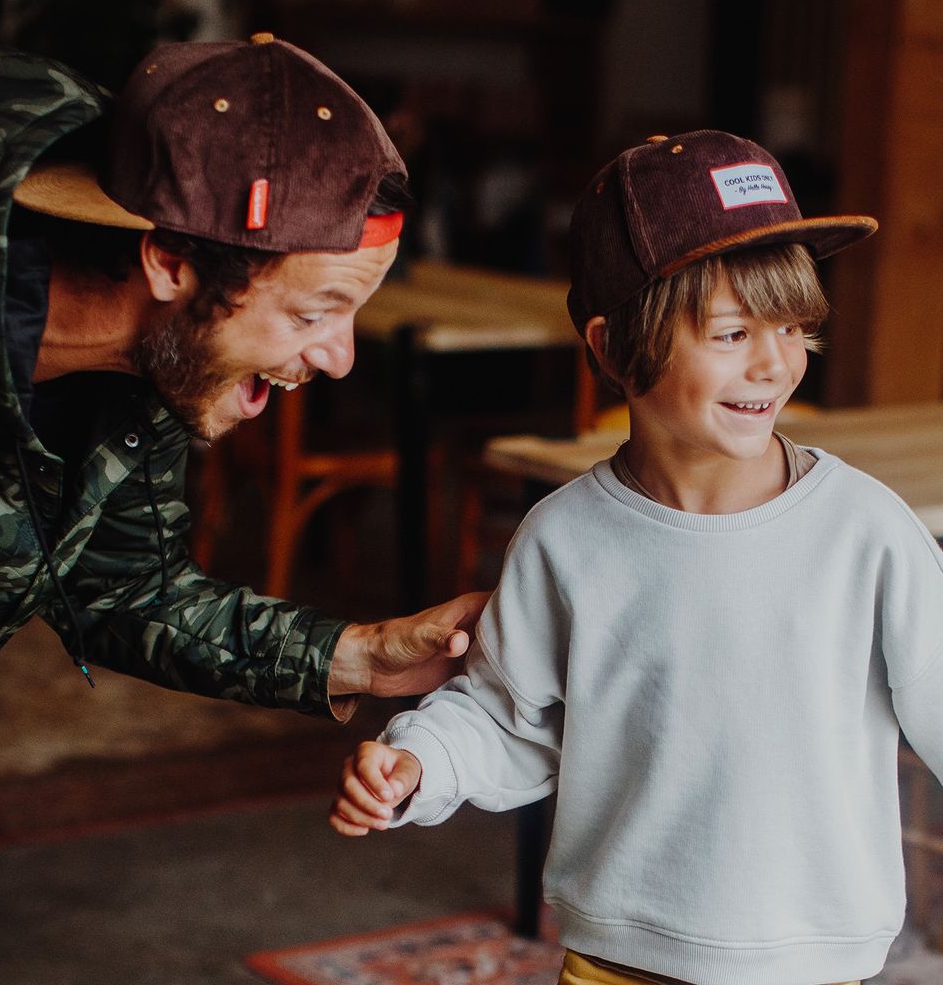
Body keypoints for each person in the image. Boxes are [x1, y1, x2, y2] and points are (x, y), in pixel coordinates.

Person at [330, 130, 943, 985]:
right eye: (732, 332)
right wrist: (421, 764)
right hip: (619, 954)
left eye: (794, 325)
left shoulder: (866, 533)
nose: (775, 361)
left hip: (811, 957)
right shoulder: (564, 538)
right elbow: (512, 718)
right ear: (614, 348)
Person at [0, 34, 487, 714]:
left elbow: (127, 589)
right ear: (170, 263)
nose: (340, 360)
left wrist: (358, 655)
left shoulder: (161, 359)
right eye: (313, 314)